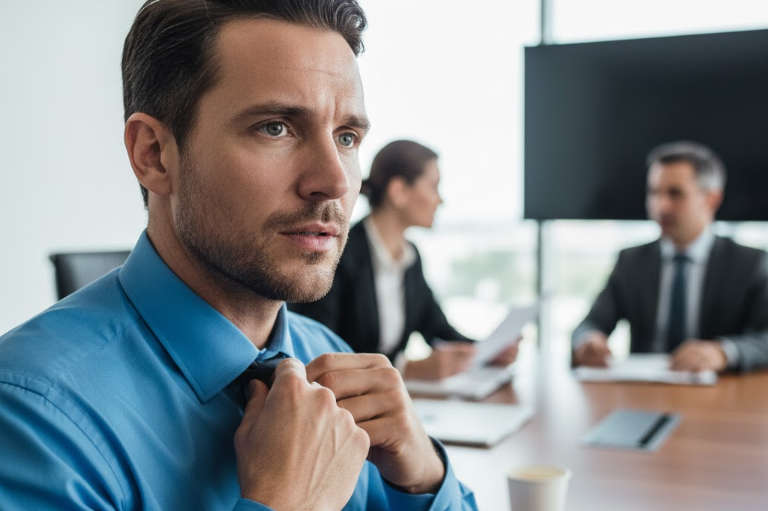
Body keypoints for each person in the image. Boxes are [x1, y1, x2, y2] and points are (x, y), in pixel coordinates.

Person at [0, 2, 477, 510]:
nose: (336, 181)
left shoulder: (331, 357)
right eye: (275, 127)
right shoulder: (30, 418)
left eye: (346, 137)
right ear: (153, 155)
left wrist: (423, 480)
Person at [291, 140, 518, 380]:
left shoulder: (410, 257)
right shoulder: (340, 254)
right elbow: (318, 355)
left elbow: (437, 330)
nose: (440, 200)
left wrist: (488, 350)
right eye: (434, 186)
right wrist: (407, 369)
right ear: (399, 191)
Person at [572, 141, 768, 372]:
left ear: (711, 199)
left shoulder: (750, 263)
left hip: (721, 397)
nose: (661, 205)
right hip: (646, 395)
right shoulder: (632, 261)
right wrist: (588, 340)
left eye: (675, 194)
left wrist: (724, 352)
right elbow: (590, 324)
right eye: (654, 192)